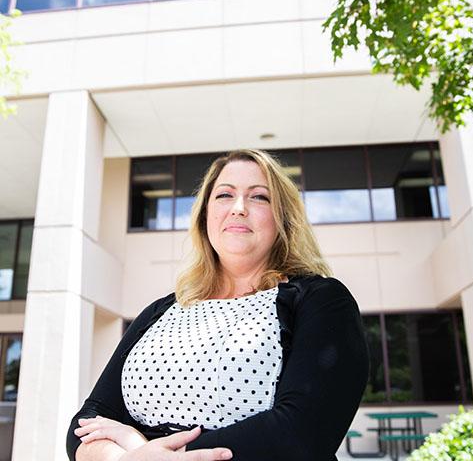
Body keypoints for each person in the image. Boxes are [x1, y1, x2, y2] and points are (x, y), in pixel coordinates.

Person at [66, 149, 369, 461]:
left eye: (259, 197)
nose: (238, 208)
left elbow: (299, 433)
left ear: (284, 218)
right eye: (224, 195)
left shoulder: (320, 300)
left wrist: (147, 451)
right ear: (204, 215)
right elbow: (86, 424)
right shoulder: (161, 312)